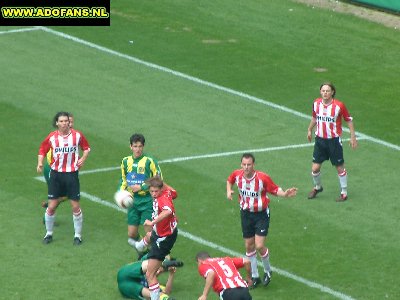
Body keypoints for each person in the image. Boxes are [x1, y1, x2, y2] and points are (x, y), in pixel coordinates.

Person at [226, 153, 297, 288]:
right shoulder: (237, 175)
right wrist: (229, 191)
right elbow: (229, 180)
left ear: (254, 165)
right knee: (249, 245)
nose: (246, 167)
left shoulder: (262, 178)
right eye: (244, 164)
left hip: (261, 214)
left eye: (249, 164)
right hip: (246, 214)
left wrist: (285, 194)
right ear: (241, 165)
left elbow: (275, 189)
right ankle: (255, 276)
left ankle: (268, 271)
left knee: (259, 246)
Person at [37, 111, 90, 245]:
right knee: (52, 205)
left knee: (75, 206)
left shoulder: (77, 136)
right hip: (56, 175)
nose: (64, 123)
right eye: (61, 121)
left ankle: (77, 236)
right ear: (57, 123)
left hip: (71, 175)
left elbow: (86, 148)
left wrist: (83, 158)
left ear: (69, 122)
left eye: (66, 121)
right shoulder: (52, 137)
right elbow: (42, 149)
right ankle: (48, 234)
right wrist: (40, 163)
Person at [307, 82, 358, 202]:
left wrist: (353, 137)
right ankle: (318, 187)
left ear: (332, 92)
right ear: (320, 92)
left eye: (327, 91)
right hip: (320, 140)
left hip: (334, 141)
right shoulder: (316, 103)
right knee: (315, 168)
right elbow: (315, 118)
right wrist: (309, 129)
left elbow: (349, 120)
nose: (325, 93)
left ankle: (344, 192)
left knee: (339, 168)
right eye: (323, 91)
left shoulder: (339, 106)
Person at [118, 133, 162, 253]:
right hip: (132, 201)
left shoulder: (149, 161)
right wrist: (121, 194)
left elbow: (158, 178)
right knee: (132, 233)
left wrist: (142, 187)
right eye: (135, 146)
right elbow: (123, 179)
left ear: (143, 147)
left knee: (149, 231)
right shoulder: (125, 161)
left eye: (140, 146)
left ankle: (157, 255)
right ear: (130, 146)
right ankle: (142, 251)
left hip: (147, 200)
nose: (137, 149)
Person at [143, 177, 178, 300]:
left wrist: (153, 222)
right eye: (151, 191)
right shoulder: (167, 191)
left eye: (156, 191)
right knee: (148, 236)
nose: (153, 194)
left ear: (161, 189)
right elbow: (175, 193)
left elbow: (167, 211)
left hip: (163, 238)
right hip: (166, 233)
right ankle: (163, 262)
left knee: (150, 274)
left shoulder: (162, 199)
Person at [41, 113, 74, 210]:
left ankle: (49, 205)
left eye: (71, 122)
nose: (70, 124)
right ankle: (47, 214)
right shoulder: (56, 136)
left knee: (66, 194)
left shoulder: (73, 135)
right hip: (53, 169)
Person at [117, 254, 183, 300]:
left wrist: (171, 274)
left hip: (126, 286)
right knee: (153, 259)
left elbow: (166, 292)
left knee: (149, 293)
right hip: (127, 273)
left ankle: (165, 299)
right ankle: (164, 262)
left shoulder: (155, 286)